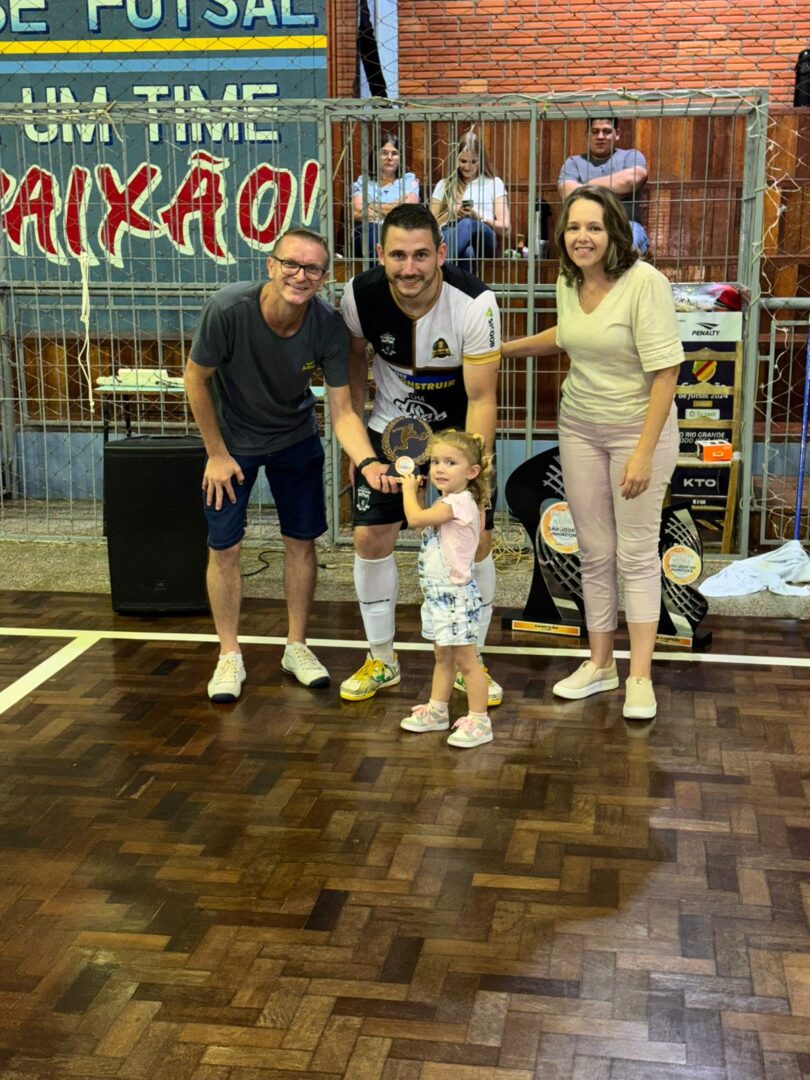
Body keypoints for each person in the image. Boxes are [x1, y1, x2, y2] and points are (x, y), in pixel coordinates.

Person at [185, 228, 399, 703]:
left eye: (313, 269)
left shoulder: (327, 325)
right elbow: (195, 380)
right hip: (232, 444)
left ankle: (296, 646)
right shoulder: (228, 309)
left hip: (295, 438)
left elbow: (342, 411)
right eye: (292, 264)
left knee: (301, 543)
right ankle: (228, 654)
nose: (301, 276)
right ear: (271, 265)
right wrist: (216, 454)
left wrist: (366, 460)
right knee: (225, 547)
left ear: (324, 277)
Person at [502, 187, 682, 720]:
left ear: (614, 233)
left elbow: (667, 371)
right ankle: (601, 664)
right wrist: (505, 350)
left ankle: (640, 677)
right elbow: (569, 333)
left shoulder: (645, 283)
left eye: (595, 228)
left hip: (638, 431)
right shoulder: (568, 279)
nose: (583, 237)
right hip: (580, 427)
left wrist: (644, 453)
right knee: (595, 551)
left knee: (636, 554)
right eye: (574, 227)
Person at [338, 203, 503, 708]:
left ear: (441, 254)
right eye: (398, 255)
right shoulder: (358, 296)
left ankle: (471, 662)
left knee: (475, 540)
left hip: (457, 436)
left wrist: (472, 473)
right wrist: (359, 448)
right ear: (380, 254)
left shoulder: (476, 302)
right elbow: (354, 371)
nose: (409, 267)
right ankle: (381, 659)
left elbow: (482, 399)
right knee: (369, 537)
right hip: (391, 432)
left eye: (421, 255)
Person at [399, 430, 495, 748]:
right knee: (443, 656)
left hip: (454, 596)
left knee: (468, 662)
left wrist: (408, 490)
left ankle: (480, 721)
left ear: (472, 472)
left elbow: (414, 519)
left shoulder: (459, 503)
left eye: (451, 462)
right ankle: (438, 711)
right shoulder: (446, 503)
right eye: (436, 461)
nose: (439, 468)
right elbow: (428, 531)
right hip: (438, 596)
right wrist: (420, 496)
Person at [558, 118, 649, 254]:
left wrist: (585, 186)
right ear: (587, 134)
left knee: (626, 245)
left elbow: (632, 180)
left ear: (617, 134)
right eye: (595, 131)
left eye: (606, 131)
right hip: (586, 226)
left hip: (625, 224)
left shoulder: (631, 156)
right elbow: (569, 194)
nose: (600, 136)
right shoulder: (573, 162)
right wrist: (614, 192)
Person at [430, 131, 510, 273]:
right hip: (450, 234)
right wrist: (451, 214)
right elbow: (429, 225)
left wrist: (478, 217)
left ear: (481, 160)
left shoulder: (494, 183)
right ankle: (461, 285)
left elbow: (506, 229)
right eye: (463, 161)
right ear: (456, 160)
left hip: (484, 237)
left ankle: (435, 270)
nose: (468, 167)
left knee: (467, 223)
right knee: (467, 253)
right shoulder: (444, 184)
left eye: (474, 161)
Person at [352, 132, 420, 263]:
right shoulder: (363, 182)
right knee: (375, 232)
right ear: (376, 155)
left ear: (400, 157)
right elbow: (358, 212)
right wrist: (395, 206)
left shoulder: (408, 180)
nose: (389, 158)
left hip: (402, 231)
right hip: (368, 232)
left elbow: (408, 211)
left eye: (394, 153)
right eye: (384, 153)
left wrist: (371, 205)